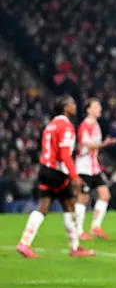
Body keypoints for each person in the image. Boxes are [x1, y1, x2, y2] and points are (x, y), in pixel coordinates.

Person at [16, 95, 95, 258]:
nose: (75, 106)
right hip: (57, 171)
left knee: (43, 206)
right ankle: (75, 248)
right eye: (72, 104)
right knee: (69, 206)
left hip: (44, 168)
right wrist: (74, 176)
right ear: (65, 108)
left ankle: (24, 243)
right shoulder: (66, 126)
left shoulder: (50, 125)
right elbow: (65, 154)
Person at [74, 98, 116, 241]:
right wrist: (105, 144)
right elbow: (89, 145)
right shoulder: (84, 126)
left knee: (105, 195)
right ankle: (78, 231)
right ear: (88, 109)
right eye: (96, 106)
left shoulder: (96, 125)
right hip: (84, 168)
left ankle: (95, 227)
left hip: (94, 168)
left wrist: (105, 143)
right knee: (83, 199)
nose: (100, 108)